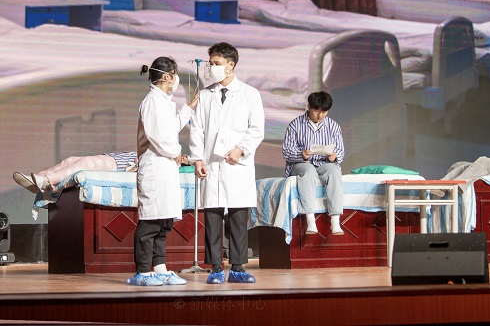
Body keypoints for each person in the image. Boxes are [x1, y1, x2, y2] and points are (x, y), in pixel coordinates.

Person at [189, 42, 265, 284]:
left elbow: (257, 129)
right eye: (211, 63)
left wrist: (241, 149)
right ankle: (215, 268)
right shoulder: (205, 95)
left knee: (238, 218)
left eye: (217, 63)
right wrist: (197, 158)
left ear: (231, 65)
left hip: (236, 164)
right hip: (211, 164)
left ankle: (238, 267)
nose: (212, 68)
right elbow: (197, 130)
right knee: (212, 217)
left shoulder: (250, 94)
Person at [128, 56, 198, 286]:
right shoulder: (152, 102)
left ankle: (160, 268)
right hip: (155, 166)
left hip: (165, 166)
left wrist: (188, 110)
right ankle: (142, 272)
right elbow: (158, 137)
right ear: (167, 76)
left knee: (163, 221)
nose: (176, 79)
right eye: (175, 74)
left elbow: (169, 129)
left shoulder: (164, 102)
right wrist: (176, 152)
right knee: (151, 221)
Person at [282, 91, 345, 236]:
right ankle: (310, 219)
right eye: (317, 111)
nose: (320, 115)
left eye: (324, 112)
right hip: (302, 164)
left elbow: (340, 151)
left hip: (324, 163)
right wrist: (301, 154)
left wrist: (334, 157)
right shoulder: (295, 124)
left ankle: (335, 220)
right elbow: (286, 151)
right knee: (309, 171)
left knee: (334, 171)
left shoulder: (333, 126)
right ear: (309, 107)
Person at [13, 152, 138, 194]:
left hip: (123, 165)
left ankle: (46, 181)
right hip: (121, 157)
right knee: (70, 161)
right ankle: (38, 178)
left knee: (86, 162)